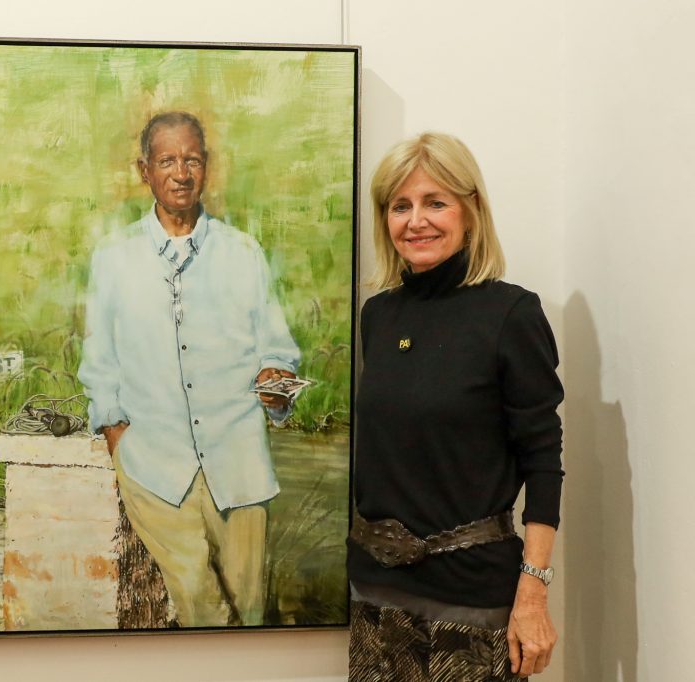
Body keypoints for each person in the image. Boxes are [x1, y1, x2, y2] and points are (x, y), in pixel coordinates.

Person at [347, 132, 563, 681]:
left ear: (470, 210)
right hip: (376, 597)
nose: (416, 220)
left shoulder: (511, 314)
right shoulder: (378, 316)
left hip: (471, 605)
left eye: (435, 202)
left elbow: (543, 460)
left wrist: (533, 593)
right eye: (400, 206)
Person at [78, 111, 300, 628]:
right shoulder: (113, 257)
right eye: (167, 161)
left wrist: (275, 383)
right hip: (153, 466)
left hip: (238, 464)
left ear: (207, 167)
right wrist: (117, 437)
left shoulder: (244, 253)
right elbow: (99, 360)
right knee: (205, 612)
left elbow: (278, 350)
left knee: (249, 610)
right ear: (145, 171)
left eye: (192, 160)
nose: (181, 173)